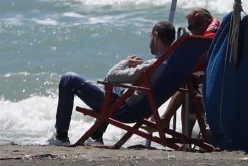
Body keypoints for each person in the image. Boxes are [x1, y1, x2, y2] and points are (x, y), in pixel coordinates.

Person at [46, 20, 176, 147]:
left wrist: (127, 62)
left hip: (124, 109)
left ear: (155, 36)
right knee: (113, 87)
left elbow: (111, 76)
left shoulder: (152, 65)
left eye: (150, 37)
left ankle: (61, 137)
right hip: (141, 108)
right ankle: (96, 136)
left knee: (68, 79)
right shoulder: (171, 64)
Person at [159, 8, 219, 128]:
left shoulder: (210, 36)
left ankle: (166, 119)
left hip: (212, 80)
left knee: (187, 83)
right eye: (190, 27)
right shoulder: (214, 33)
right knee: (189, 88)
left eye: (196, 26)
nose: (193, 31)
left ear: (207, 21)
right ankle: (184, 137)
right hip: (208, 78)